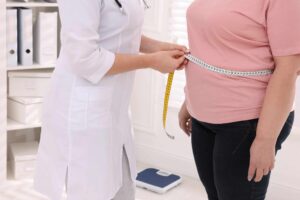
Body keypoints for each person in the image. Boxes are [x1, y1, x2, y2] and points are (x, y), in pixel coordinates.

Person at [34, 0, 187, 200]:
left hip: (115, 109)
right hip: (85, 110)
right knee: (94, 191)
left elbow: (119, 29)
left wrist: (160, 47)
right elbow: (85, 59)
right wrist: (151, 61)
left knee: (121, 187)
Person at [179, 0, 300, 200]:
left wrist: (265, 139)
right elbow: (213, 48)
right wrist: (189, 100)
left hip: (248, 122)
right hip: (203, 115)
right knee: (215, 195)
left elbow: (289, 69)